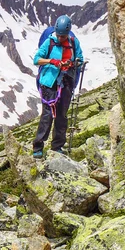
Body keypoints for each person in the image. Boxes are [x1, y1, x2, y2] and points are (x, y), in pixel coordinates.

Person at [32, 15, 85, 157]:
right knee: (47, 114)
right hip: (49, 83)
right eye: (59, 35)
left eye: (63, 36)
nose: (60, 38)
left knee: (61, 115)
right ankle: (38, 147)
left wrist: (72, 64)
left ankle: (57, 146)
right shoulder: (49, 42)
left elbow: (80, 59)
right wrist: (52, 61)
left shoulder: (74, 43)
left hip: (66, 82)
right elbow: (36, 60)